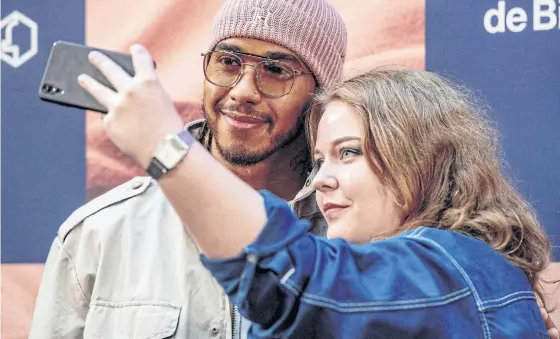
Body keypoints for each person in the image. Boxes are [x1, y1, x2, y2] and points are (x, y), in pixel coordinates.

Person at [76, 41, 557, 338]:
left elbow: (289, 284)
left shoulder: (451, 268)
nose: (322, 178)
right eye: (321, 158)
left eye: (349, 153)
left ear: (424, 159)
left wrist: (165, 147)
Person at [29, 0, 347, 339]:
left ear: (319, 94)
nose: (243, 91)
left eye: (276, 71)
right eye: (228, 62)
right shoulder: (99, 232)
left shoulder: (361, 233)